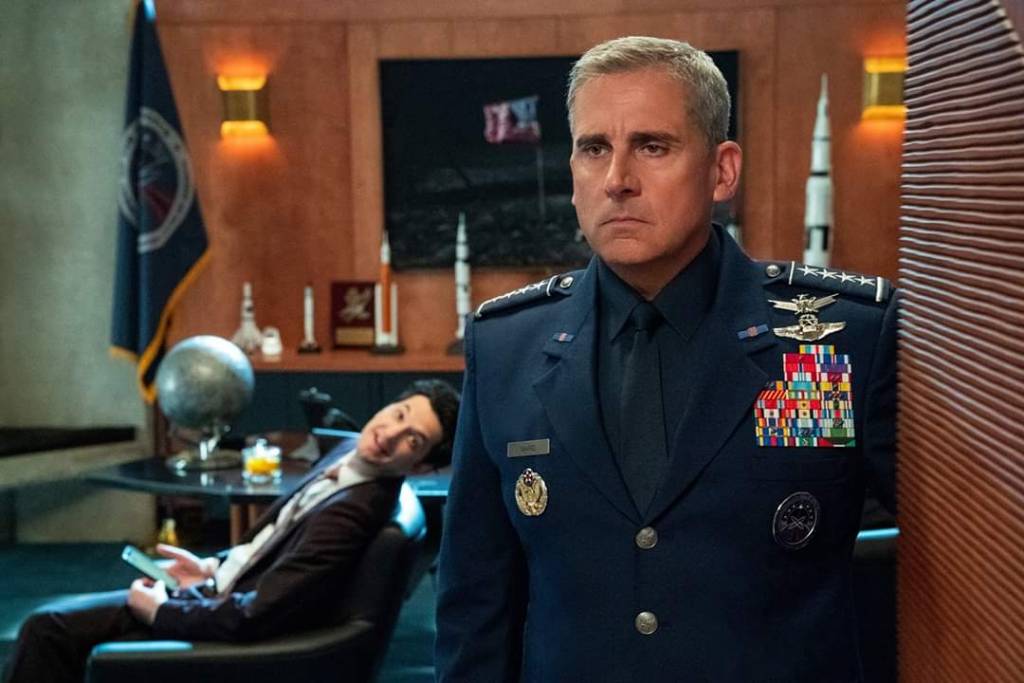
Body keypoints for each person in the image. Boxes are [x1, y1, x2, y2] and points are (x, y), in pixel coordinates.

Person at [435, 36, 897, 682]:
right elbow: (475, 602)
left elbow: (954, 573)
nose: (617, 180)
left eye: (652, 147)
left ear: (722, 171)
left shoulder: (841, 339)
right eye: (594, 149)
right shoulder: (506, 346)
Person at [4, 379, 460, 683]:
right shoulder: (348, 451)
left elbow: (257, 615)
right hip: (215, 589)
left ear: (420, 466)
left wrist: (162, 612)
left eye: (412, 440)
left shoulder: (354, 514)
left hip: (223, 618)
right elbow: (275, 544)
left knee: (48, 630)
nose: (389, 433)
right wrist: (211, 566)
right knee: (51, 628)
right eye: (399, 413)